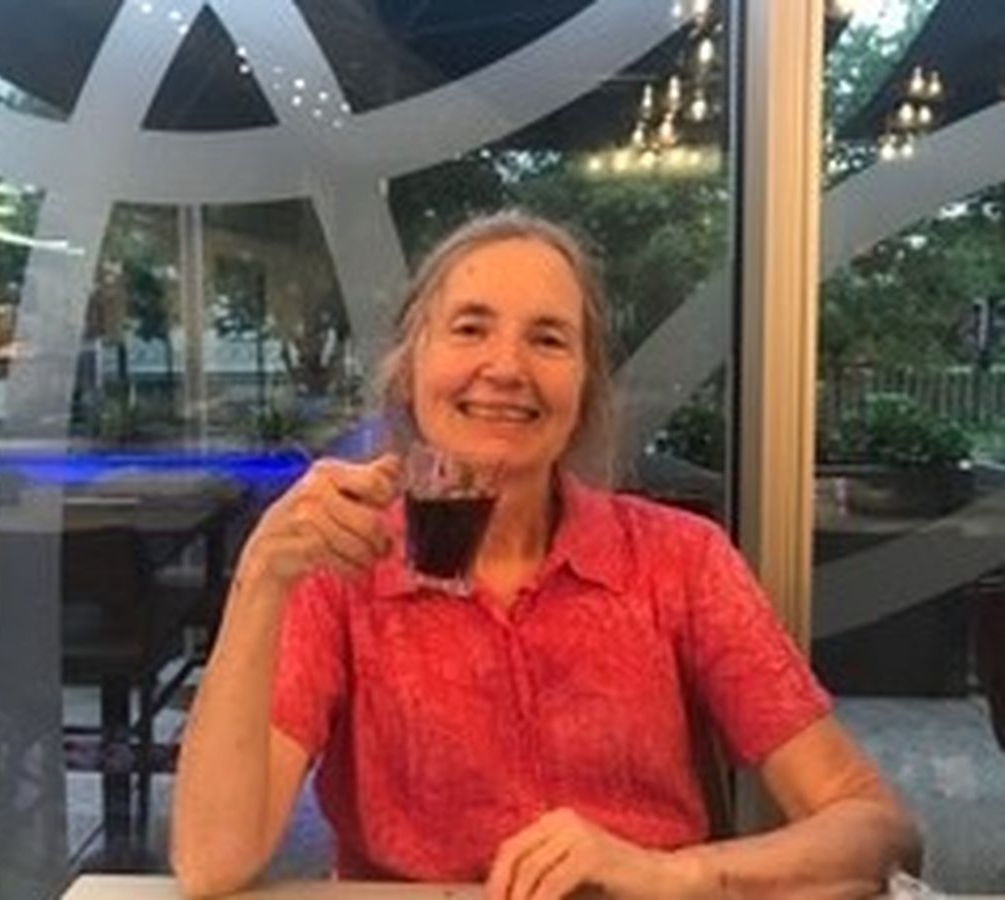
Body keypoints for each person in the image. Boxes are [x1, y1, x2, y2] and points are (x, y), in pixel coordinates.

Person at [171, 212, 921, 898]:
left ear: (585, 385)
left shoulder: (680, 560)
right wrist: (261, 576)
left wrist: (672, 873)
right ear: (410, 367)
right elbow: (212, 862)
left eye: (549, 339)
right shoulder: (342, 569)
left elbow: (877, 829)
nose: (506, 367)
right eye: (470, 328)